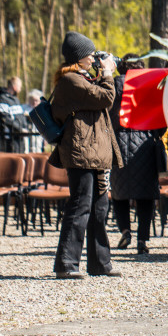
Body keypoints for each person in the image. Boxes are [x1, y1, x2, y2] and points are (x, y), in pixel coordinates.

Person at [49, 32, 123, 280]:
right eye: (90, 55)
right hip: (81, 152)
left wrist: (105, 72)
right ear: (78, 57)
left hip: (93, 152)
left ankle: (100, 263)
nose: (94, 59)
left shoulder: (82, 78)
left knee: (98, 208)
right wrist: (108, 73)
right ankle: (67, 263)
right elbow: (105, 97)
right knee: (80, 205)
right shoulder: (70, 80)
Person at [109, 54, 161, 257]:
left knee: (119, 193)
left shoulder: (112, 85)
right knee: (145, 196)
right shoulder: (148, 85)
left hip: (118, 145)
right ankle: (142, 239)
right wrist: (155, 135)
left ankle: (125, 231)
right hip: (144, 146)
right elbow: (159, 115)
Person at [0, 76, 28, 153]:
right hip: (10, 138)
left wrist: (24, 128)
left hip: (19, 138)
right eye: (20, 86)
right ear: (14, 86)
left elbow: (20, 116)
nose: (21, 88)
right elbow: (4, 118)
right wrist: (19, 129)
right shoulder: (2, 99)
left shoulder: (16, 99)